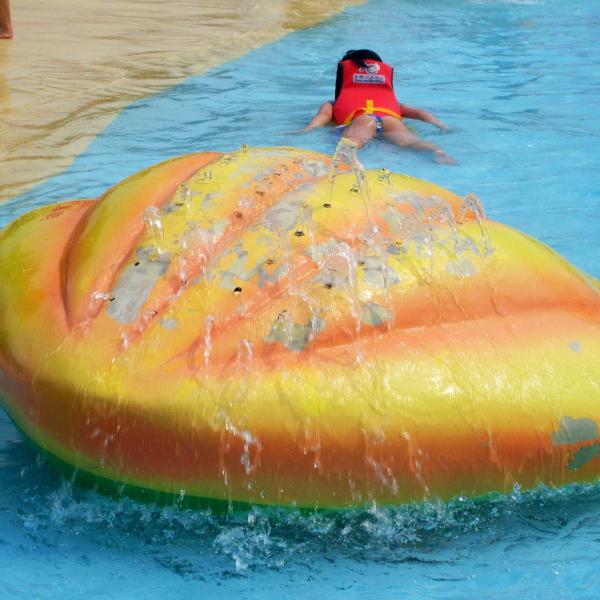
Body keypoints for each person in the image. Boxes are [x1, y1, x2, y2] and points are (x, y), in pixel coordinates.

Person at [304, 49, 455, 164]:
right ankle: (436, 151)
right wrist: (441, 125)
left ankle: (346, 160)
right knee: (409, 142)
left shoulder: (333, 103)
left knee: (355, 140)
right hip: (390, 120)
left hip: (362, 120)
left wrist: (307, 130)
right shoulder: (394, 104)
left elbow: (323, 116)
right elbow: (420, 113)